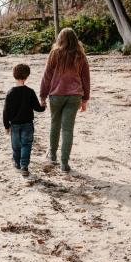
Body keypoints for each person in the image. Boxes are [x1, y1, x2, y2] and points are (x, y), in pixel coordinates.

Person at [40, 28, 91, 173]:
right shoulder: (80, 56)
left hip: (56, 96)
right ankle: (64, 163)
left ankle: (53, 155)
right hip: (74, 96)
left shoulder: (54, 54)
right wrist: (85, 99)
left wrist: (42, 95)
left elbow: (46, 76)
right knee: (68, 129)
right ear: (75, 39)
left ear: (60, 39)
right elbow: (85, 79)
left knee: (55, 124)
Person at [3, 63, 46, 176]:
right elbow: (38, 108)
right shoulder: (30, 92)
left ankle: (17, 163)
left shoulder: (10, 93)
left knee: (16, 146)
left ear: (14, 75)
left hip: (15, 125)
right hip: (27, 124)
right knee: (26, 145)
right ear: (27, 76)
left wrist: (6, 126)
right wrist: (43, 105)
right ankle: (24, 166)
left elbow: (5, 111)